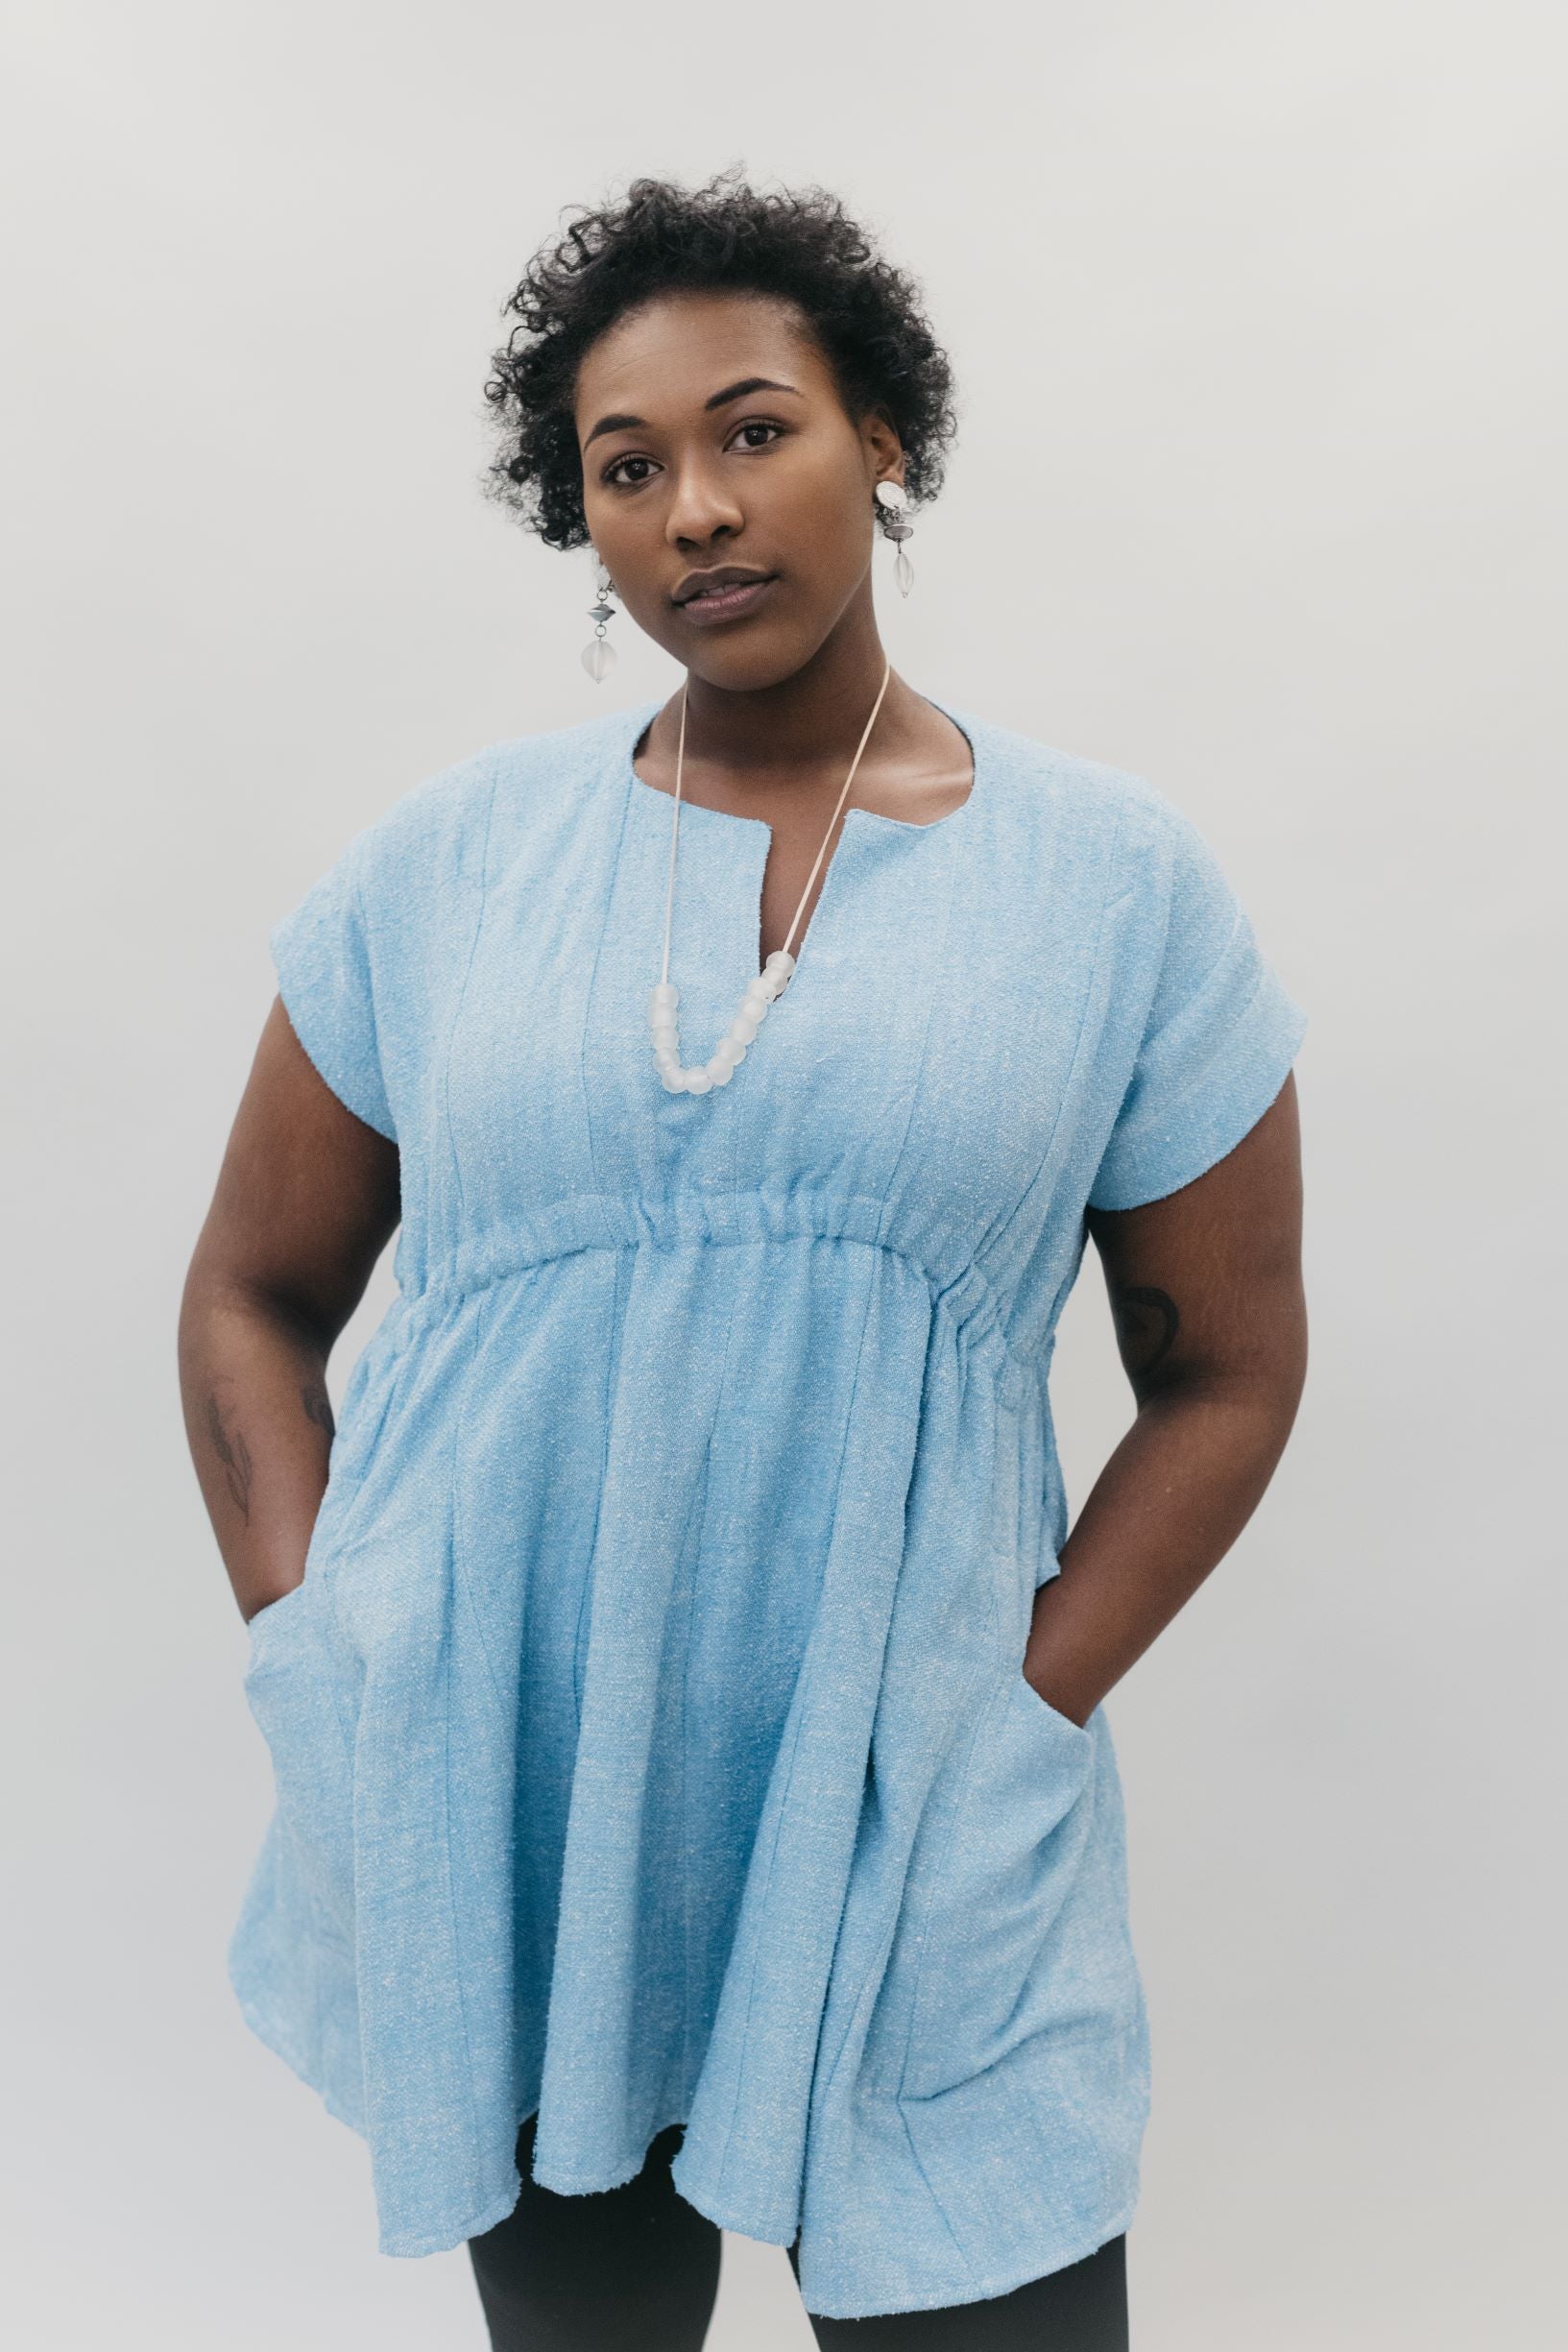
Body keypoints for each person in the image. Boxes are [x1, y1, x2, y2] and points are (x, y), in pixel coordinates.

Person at [178, 168, 1309, 2350]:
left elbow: (1229, 1366)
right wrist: (331, 1653)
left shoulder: (1112, 886)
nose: (695, 506)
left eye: (754, 428)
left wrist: (1023, 1698)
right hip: (508, 1781)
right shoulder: (453, 865)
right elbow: (250, 1287)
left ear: (883, 439)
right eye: (628, 468)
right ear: (584, 523)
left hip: (917, 1792)